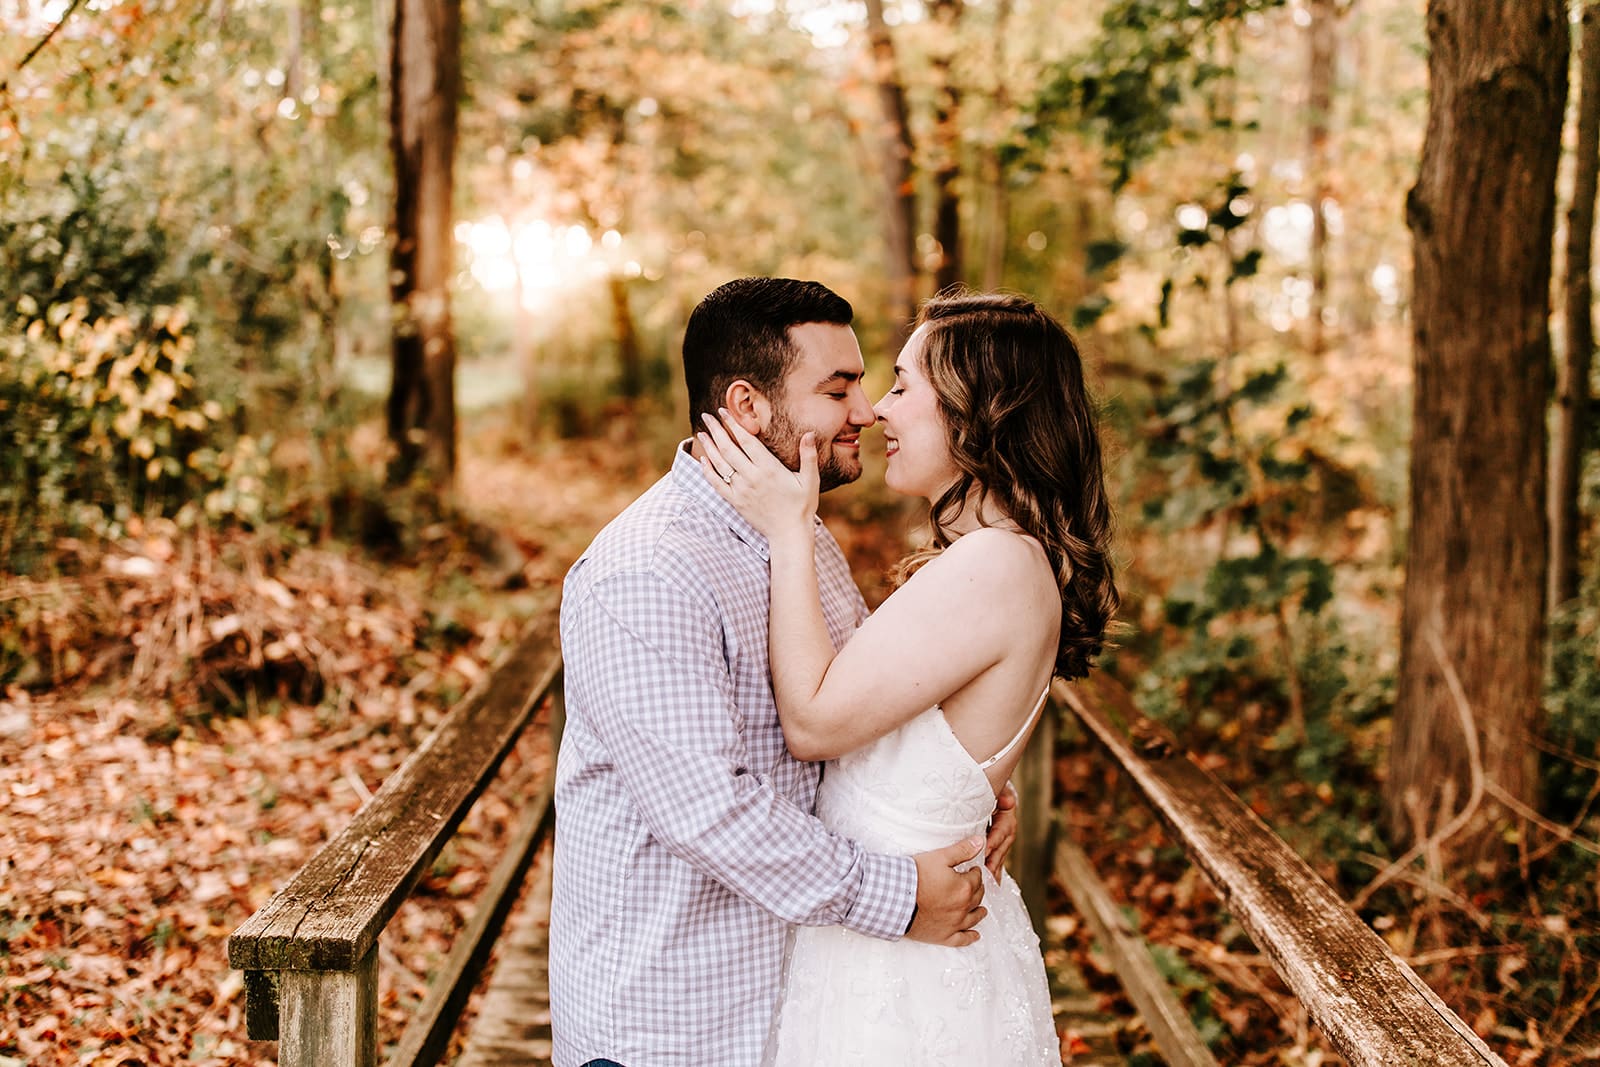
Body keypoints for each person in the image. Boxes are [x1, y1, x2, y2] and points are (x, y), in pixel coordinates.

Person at [550, 277, 1020, 1067]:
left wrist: (974, 783)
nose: (867, 412)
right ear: (747, 406)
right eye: (839, 388)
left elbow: (868, 702)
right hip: (673, 1029)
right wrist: (903, 896)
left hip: (794, 1011)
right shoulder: (645, 573)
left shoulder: (801, 537)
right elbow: (711, 813)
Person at [697, 289, 1119, 1065]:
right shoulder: (998, 559)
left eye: (900, 384)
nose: (876, 411)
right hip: (891, 948)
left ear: (976, 409)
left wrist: (789, 529)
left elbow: (816, 722)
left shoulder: (994, 564)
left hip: (905, 971)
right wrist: (977, 787)